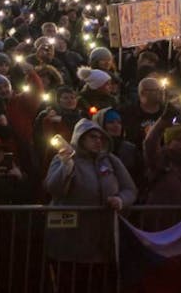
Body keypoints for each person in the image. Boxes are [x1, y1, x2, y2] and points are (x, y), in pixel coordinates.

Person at [44, 119, 136, 285]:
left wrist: (120, 200)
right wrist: (67, 166)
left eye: (101, 137)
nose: (98, 141)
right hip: (70, 241)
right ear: (80, 138)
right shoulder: (62, 158)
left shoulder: (111, 161)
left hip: (103, 241)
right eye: (93, 137)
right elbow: (53, 188)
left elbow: (130, 189)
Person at [143, 110, 181, 205]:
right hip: (162, 216)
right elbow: (150, 142)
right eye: (178, 139)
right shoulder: (160, 160)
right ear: (168, 143)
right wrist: (166, 117)